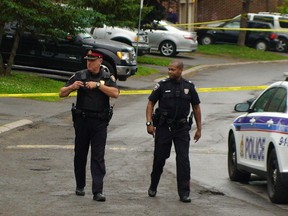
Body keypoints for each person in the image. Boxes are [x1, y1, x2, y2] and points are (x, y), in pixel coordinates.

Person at [59, 50, 119, 202]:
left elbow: (115, 93)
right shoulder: (79, 75)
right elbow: (61, 93)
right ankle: (80, 185)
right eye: (87, 60)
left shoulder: (106, 77)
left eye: (92, 60)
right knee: (80, 154)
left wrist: (98, 85)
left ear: (100, 61)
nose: (89, 63)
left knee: (98, 157)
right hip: (82, 121)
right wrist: (72, 87)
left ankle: (98, 191)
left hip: (99, 122)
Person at [145, 60, 201, 203]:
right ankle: (153, 185)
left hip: (181, 128)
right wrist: (149, 123)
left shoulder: (189, 86)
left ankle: (184, 193)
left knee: (183, 160)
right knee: (159, 158)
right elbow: (151, 103)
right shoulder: (162, 86)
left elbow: (196, 107)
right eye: (169, 69)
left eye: (173, 70)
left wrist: (199, 128)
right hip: (164, 127)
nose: (170, 72)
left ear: (181, 70)